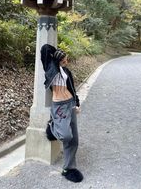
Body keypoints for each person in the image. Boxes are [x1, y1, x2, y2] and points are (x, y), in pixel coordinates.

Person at [40, 44, 83, 183]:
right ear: (58, 60)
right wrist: (58, 54)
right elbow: (45, 49)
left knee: (74, 139)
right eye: (64, 60)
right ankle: (52, 126)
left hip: (70, 103)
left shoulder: (66, 71)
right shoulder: (50, 67)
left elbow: (72, 87)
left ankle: (68, 168)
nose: (66, 62)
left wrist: (76, 103)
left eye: (67, 60)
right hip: (59, 106)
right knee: (66, 135)